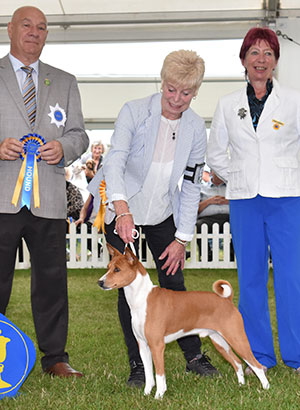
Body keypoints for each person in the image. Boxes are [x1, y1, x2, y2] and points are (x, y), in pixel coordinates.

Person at [89, 49, 219, 387]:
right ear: (162, 83)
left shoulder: (194, 128)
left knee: (174, 283)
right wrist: (121, 209)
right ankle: (137, 364)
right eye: (172, 89)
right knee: (126, 286)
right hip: (124, 202)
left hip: (162, 210)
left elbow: (191, 185)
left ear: (196, 91)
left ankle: (194, 356)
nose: (177, 99)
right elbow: (115, 161)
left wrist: (182, 238)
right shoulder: (134, 111)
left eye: (187, 92)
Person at [0, 6, 89, 377]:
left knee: (52, 281)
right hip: (3, 195)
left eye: (41, 27)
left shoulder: (65, 81)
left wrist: (64, 149)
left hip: (49, 199)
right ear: (10, 29)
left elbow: (79, 134)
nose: (34, 32)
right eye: (27, 25)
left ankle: (55, 358)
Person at [207, 27, 300, 375]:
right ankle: (258, 353)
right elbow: (216, 153)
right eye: (254, 53)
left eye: (268, 53)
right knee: (250, 278)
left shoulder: (293, 99)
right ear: (243, 59)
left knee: (292, 277)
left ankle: (297, 355)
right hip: (245, 199)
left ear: (276, 61)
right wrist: (240, 175)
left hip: (288, 198)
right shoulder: (227, 103)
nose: (261, 60)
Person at [196, 170, 234, 261]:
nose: (219, 173)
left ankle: (232, 255)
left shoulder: (232, 189)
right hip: (208, 219)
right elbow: (195, 210)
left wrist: (227, 201)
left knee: (242, 225)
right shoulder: (201, 188)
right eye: (215, 170)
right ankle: (206, 255)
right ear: (210, 173)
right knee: (199, 225)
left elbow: (241, 205)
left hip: (230, 217)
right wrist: (209, 201)